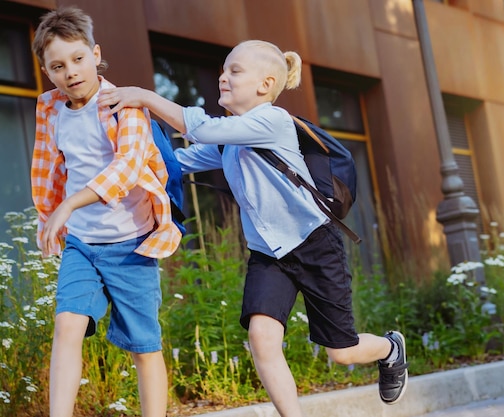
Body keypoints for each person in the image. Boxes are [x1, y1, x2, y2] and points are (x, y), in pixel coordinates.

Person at [98, 39, 408, 416]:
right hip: (268, 254)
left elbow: (203, 131)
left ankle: (391, 348)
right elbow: (175, 162)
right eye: (224, 70)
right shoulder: (231, 137)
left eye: (235, 71)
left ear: (265, 85)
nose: (223, 77)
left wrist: (145, 96)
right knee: (262, 338)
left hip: (313, 242)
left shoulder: (272, 121)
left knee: (342, 352)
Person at [31, 6, 181, 417]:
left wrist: (69, 205)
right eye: (58, 66)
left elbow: (127, 168)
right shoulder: (50, 112)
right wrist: (51, 219)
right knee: (67, 325)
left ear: (95, 54)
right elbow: (48, 172)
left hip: (131, 245)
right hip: (83, 244)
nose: (71, 72)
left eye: (78, 59)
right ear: (47, 71)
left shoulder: (123, 105)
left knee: (144, 347)